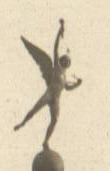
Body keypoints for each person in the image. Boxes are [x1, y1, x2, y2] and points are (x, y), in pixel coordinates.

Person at [13, 19, 83, 148]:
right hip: (49, 94)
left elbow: (67, 88)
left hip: (56, 99)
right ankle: (22, 123)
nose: (66, 63)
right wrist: (60, 29)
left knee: (55, 120)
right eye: (65, 60)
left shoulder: (65, 76)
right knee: (35, 109)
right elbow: (55, 47)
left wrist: (78, 84)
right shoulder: (56, 67)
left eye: (68, 62)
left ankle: (45, 141)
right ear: (62, 61)